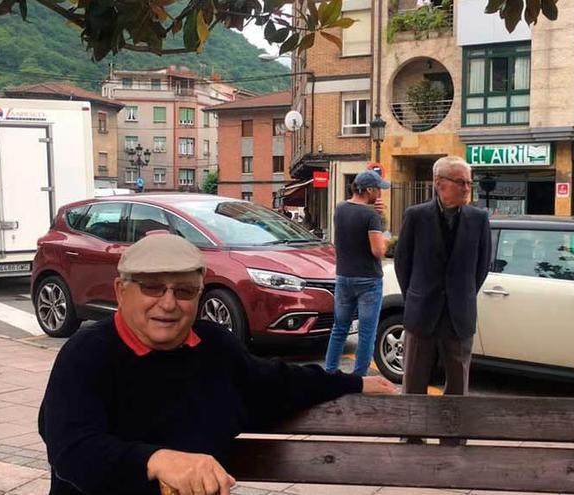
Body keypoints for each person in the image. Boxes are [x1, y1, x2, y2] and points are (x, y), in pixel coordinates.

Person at [38, 234, 396, 495]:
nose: (168, 303)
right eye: (152, 288)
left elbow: (279, 382)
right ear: (120, 290)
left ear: (198, 295)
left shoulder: (214, 347)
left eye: (183, 291)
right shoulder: (86, 354)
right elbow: (73, 450)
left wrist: (354, 383)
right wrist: (159, 461)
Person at [394, 156, 491, 442]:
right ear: (439, 184)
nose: (466, 188)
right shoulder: (416, 216)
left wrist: (461, 295)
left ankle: (453, 435)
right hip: (422, 309)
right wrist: (415, 296)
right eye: (460, 182)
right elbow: (403, 264)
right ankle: (412, 434)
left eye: (469, 183)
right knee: (413, 379)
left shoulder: (478, 219)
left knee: (458, 382)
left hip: (459, 313)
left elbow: (481, 267)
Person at [325, 170, 390, 376]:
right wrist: (384, 227)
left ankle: (330, 373)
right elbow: (378, 251)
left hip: (343, 276)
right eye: (378, 189)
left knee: (339, 329)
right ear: (369, 190)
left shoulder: (340, 208)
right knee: (366, 333)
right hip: (368, 280)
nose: (380, 193)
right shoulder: (370, 215)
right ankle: (359, 378)